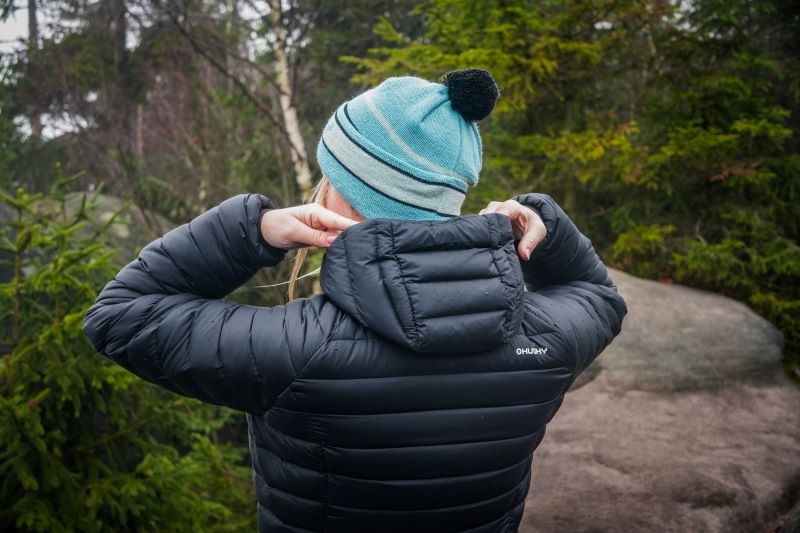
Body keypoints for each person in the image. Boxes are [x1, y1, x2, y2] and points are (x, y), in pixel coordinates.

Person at [84, 69, 626, 532]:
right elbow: (599, 296)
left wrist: (254, 230)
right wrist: (541, 222)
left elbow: (121, 313)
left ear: (341, 191)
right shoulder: (543, 341)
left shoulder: (297, 349)